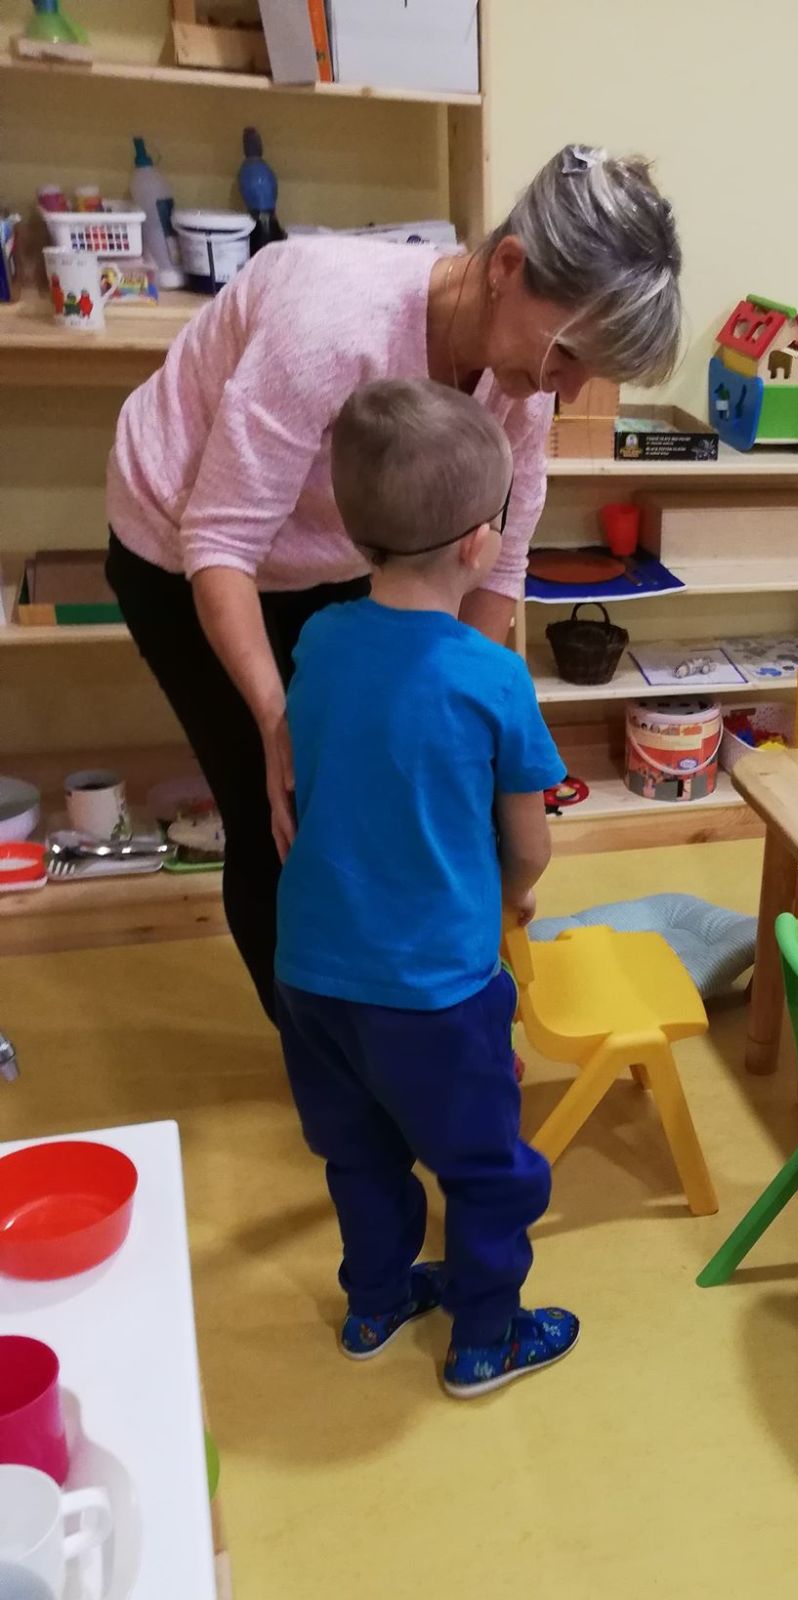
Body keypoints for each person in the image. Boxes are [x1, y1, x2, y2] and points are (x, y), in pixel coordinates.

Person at [105, 144, 681, 1018]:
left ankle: (391, 1012)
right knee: (282, 805)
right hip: (184, 544)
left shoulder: (522, 389)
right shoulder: (331, 323)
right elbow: (219, 539)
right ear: (508, 266)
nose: (566, 390)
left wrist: (461, 709)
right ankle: (317, 1046)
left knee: (385, 781)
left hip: (342, 551)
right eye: (568, 355)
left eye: (591, 373)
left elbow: (503, 567)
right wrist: (275, 720)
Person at [274, 377, 576, 1400]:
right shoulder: (490, 674)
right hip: (436, 990)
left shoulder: (319, 641)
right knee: (487, 1167)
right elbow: (528, 845)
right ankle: (486, 1338)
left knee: (358, 1151)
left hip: (311, 973)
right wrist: (517, 895)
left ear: (353, 529)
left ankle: (374, 1302)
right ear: (481, 545)